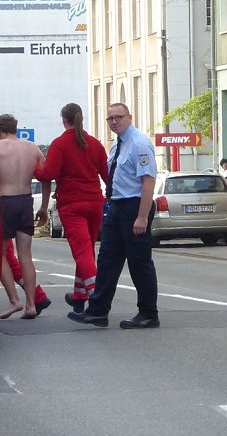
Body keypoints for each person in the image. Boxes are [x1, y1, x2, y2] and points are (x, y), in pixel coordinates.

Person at [68, 102, 159, 329]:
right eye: (110, 118)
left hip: (134, 206)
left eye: (119, 117)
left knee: (139, 263)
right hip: (117, 205)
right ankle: (98, 311)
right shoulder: (116, 145)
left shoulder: (139, 143)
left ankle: (148, 313)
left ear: (129, 117)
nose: (114, 122)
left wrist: (142, 217)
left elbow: (148, 180)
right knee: (107, 259)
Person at [34, 103, 109, 314]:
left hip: (72, 204)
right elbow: (106, 175)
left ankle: (96, 298)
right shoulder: (95, 144)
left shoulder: (60, 144)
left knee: (82, 252)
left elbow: (48, 173)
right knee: (86, 250)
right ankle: (79, 295)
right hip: (95, 202)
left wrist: (35, 169)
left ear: (63, 120)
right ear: (81, 119)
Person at [0, 123, 51, 314]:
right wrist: (44, 207)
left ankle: (14, 300)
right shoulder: (32, 147)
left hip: (5, 202)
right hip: (26, 201)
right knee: (25, 255)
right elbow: (46, 177)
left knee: (0, 253)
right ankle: (31, 305)